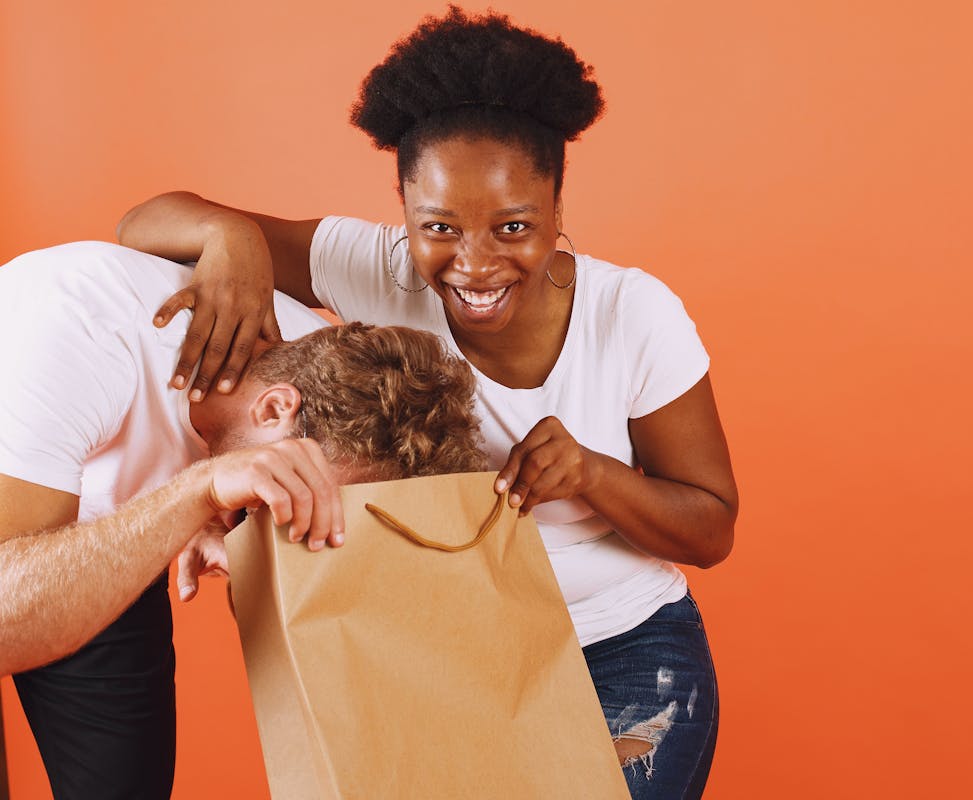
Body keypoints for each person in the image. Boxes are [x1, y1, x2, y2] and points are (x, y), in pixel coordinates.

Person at [117, 7, 738, 798]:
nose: (474, 264)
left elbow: (712, 527)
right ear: (403, 210)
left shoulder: (634, 316)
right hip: (442, 647)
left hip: (623, 654)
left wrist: (590, 475)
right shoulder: (379, 265)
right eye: (438, 226)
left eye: (513, 226)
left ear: (557, 210)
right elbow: (142, 223)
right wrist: (232, 237)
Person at [0, 240, 484, 799]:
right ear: (274, 409)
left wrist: (210, 517)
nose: (293, 519)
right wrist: (195, 493)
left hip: (99, 519)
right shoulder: (84, 333)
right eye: (295, 483)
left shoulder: (330, 378)